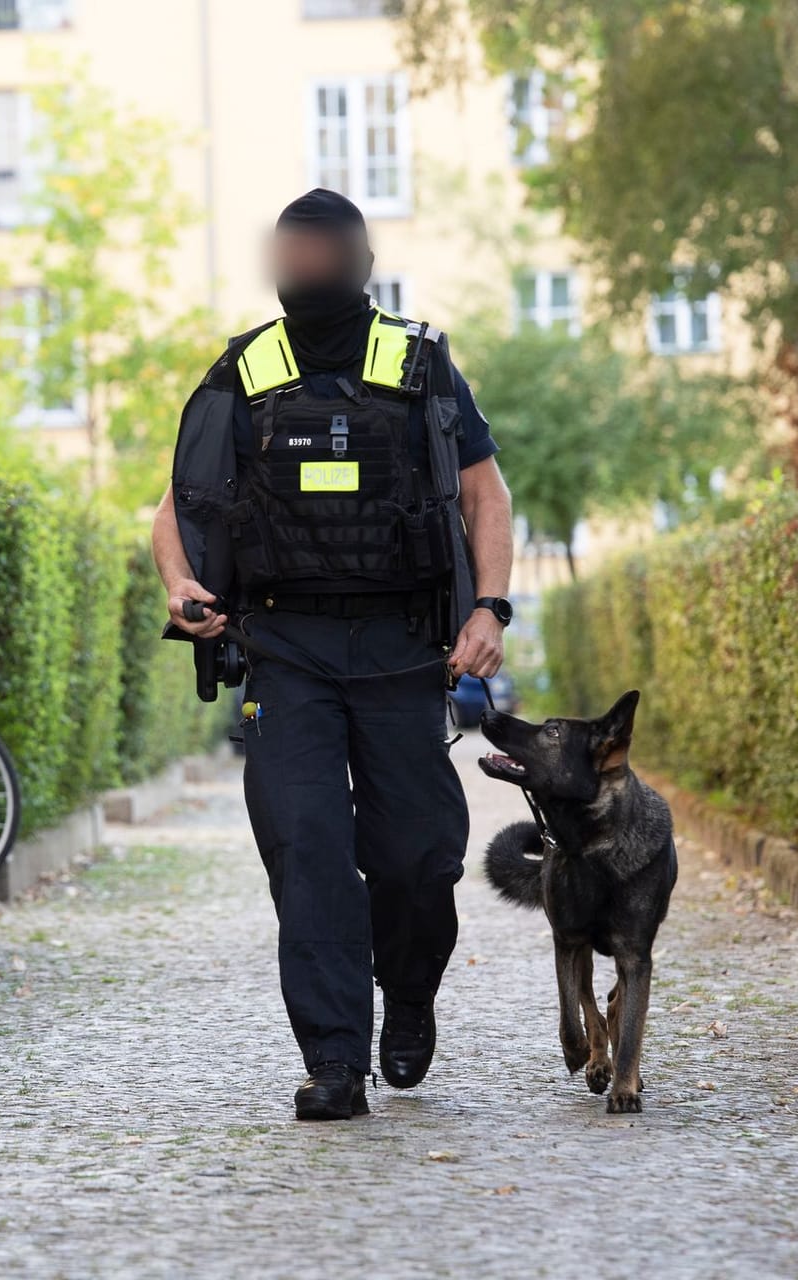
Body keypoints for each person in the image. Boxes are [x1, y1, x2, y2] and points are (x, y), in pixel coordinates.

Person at [150, 189, 516, 1120]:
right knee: (306, 850)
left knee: (418, 859)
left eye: (320, 252)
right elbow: (178, 506)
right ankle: (333, 1059)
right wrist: (181, 588)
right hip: (284, 649)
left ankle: (411, 994)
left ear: (357, 260)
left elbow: (484, 495)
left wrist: (490, 608)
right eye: (290, 251)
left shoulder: (420, 362)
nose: (304, 266)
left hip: (402, 650)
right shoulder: (244, 367)